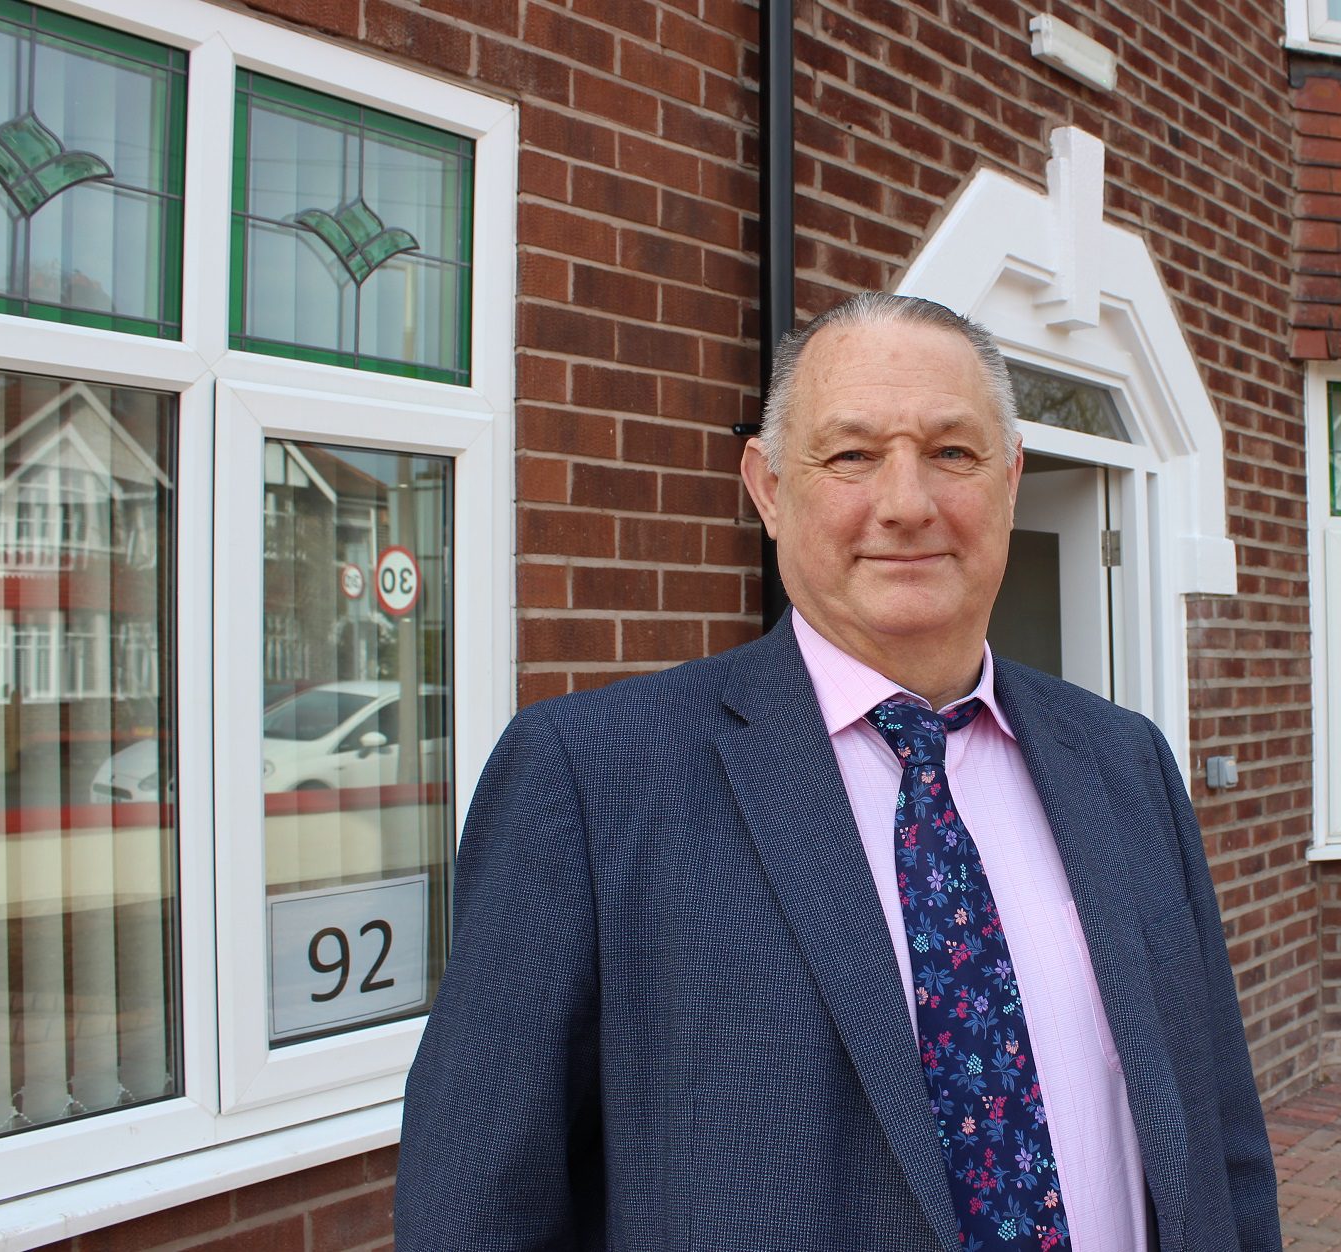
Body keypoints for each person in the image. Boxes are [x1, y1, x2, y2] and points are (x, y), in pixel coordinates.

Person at [393, 293, 1281, 1251]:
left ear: (1011, 478)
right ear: (769, 487)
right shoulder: (590, 778)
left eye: (953, 452)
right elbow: (477, 1208)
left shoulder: (1123, 761)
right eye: (852, 455)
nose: (907, 503)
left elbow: (1220, 1139)